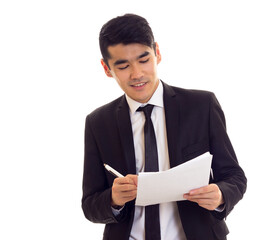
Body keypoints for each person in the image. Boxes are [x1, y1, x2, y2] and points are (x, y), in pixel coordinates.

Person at [82, 13, 247, 240]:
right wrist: (113, 199)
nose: (137, 74)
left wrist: (220, 196)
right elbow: (90, 204)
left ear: (157, 53)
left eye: (144, 60)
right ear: (106, 68)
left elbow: (234, 176)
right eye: (123, 66)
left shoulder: (201, 106)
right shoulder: (98, 122)